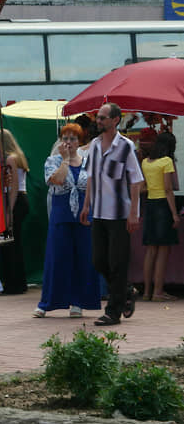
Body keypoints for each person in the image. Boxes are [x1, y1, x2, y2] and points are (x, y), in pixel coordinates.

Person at [80, 103, 143, 327]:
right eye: (98, 117)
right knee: (99, 261)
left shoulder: (125, 146)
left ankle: (113, 311)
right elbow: (90, 178)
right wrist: (86, 205)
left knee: (118, 262)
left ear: (115, 120)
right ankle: (126, 290)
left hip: (119, 215)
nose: (99, 121)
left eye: (103, 118)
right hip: (98, 213)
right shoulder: (94, 146)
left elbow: (136, 181)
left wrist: (133, 212)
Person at [33, 123, 101, 318]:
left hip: (84, 215)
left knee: (84, 258)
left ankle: (78, 302)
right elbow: (57, 180)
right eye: (65, 138)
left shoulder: (88, 161)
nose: (69, 142)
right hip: (61, 214)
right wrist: (65, 160)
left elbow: (93, 186)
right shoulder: (53, 160)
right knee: (57, 258)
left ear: (80, 142)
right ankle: (47, 303)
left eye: (73, 139)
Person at [141, 131, 179, 302]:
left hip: (149, 205)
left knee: (150, 250)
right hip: (163, 206)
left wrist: (152, 187)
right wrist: (174, 214)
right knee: (163, 250)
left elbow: (142, 187)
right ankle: (158, 291)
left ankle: (147, 292)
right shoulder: (167, 161)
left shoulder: (146, 162)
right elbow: (168, 189)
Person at [0, 128, 30, 294]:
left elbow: (13, 187)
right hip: (21, 200)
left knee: (10, 244)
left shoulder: (9, 159)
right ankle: (18, 282)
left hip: (14, 201)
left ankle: (13, 284)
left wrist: (9, 211)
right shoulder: (19, 157)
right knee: (15, 244)